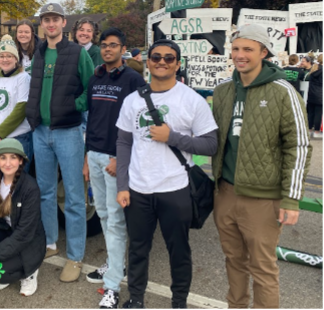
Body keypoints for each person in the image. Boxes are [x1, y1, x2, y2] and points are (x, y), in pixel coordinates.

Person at [212, 24, 312, 310]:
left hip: (263, 198)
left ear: (264, 52)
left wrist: (291, 199)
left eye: (248, 49)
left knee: (263, 268)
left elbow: (300, 145)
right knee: (233, 261)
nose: (240, 55)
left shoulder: (283, 91)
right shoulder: (223, 91)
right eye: (235, 48)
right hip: (226, 192)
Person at [116, 39, 219, 310]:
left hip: (175, 189)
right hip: (138, 188)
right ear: (148, 61)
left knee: (179, 251)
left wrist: (173, 137)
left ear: (177, 63)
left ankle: (179, 302)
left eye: (169, 58)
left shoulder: (192, 100)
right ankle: (136, 299)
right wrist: (122, 186)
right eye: (157, 57)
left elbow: (210, 144)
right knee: (138, 249)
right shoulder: (132, 100)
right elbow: (124, 143)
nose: (162, 61)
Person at [26, 3, 95, 283]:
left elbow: (91, 87)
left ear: (64, 23)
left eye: (55, 19)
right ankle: (51, 243)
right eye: (46, 20)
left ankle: (75, 256)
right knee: (45, 192)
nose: (50, 24)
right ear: (42, 24)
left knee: (75, 198)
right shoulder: (38, 53)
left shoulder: (77, 53)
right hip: (41, 132)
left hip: (68, 132)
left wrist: (74, 105)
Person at [83, 28, 145, 310]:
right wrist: (87, 157)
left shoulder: (133, 79)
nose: (107, 49)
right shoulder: (95, 78)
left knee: (116, 220)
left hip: (114, 158)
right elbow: (92, 117)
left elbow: (139, 122)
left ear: (123, 49)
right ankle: (114, 264)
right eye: (104, 45)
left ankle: (112, 288)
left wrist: (120, 158)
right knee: (105, 214)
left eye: (113, 45)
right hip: (94, 154)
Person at [0, 139, 46, 297]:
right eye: (3, 157)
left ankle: (29, 273)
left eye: (13, 157)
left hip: (28, 241)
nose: (8, 162)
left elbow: (24, 234)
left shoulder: (30, 187)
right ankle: (1, 280)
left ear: (20, 160)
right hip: (6, 232)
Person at [0, 35, 33, 163]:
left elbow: (21, 108)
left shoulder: (23, 78)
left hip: (17, 137)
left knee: (18, 179)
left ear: (16, 59)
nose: (5, 60)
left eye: (9, 56)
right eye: (2, 56)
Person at [306, 54, 323, 139]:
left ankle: (309, 131)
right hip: (320, 95)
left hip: (311, 94)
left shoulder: (313, 69)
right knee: (318, 114)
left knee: (311, 113)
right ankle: (316, 131)